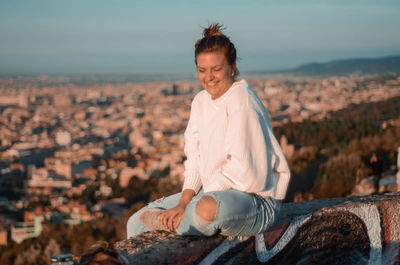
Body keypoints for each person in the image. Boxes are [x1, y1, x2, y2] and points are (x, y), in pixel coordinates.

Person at [126, 23, 291, 238]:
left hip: (256, 200)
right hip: (215, 191)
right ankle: (179, 220)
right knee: (135, 224)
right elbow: (195, 158)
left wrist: (190, 205)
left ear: (232, 67)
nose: (209, 77)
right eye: (202, 70)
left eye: (216, 69)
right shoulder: (200, 101)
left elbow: (246, 173)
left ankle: (173, 224)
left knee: (205, 210)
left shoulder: (242, 101)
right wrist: (184, 201)